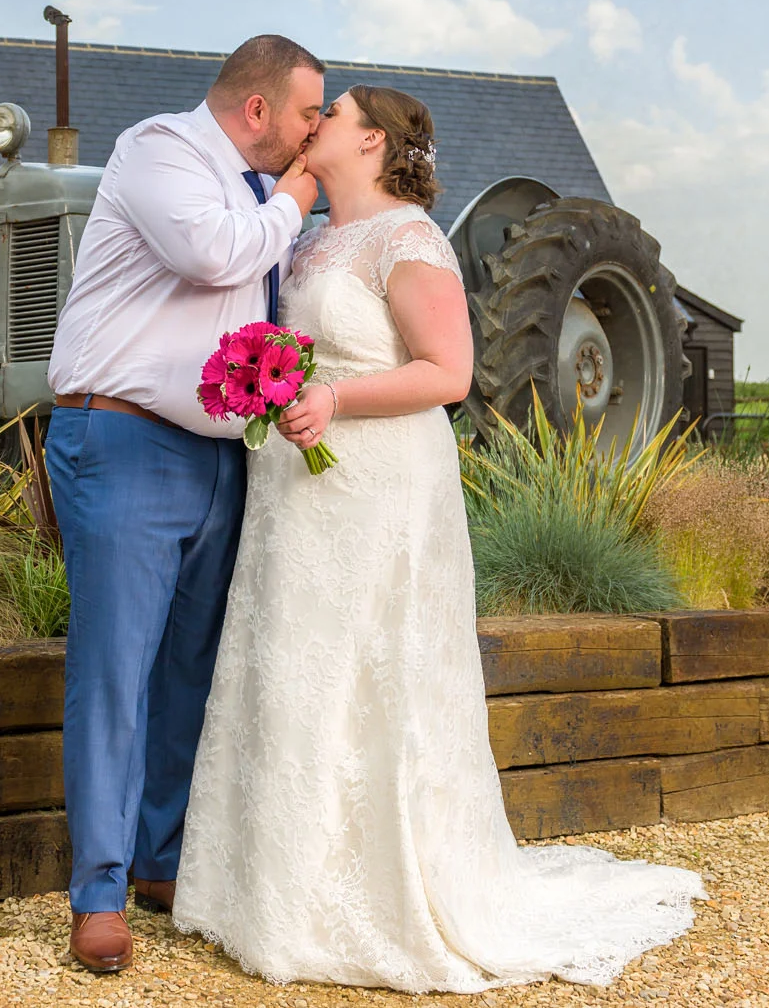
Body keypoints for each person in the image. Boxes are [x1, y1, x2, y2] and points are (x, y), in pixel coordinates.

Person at [172, 85, 705, 992]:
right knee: (294, 662)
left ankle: (387, 894)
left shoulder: (408, 239)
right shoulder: (307, 240)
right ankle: (272, 892)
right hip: (295, 490)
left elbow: (448, 372)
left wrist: (333, 396)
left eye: (331, 113)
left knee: (374, 666)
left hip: (379, 486)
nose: (316, 123)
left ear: (372, 139)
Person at [43, 34, 326, 974]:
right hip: (123, 439)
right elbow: (212, 256)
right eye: (305, 114)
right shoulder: (161, 150)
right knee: (115, 667)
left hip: (220, 456)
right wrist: (294, 199)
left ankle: (163, 861)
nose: (314, 133)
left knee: (189, 673)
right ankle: (98, 891)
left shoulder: (259, 197)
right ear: (257, 111)